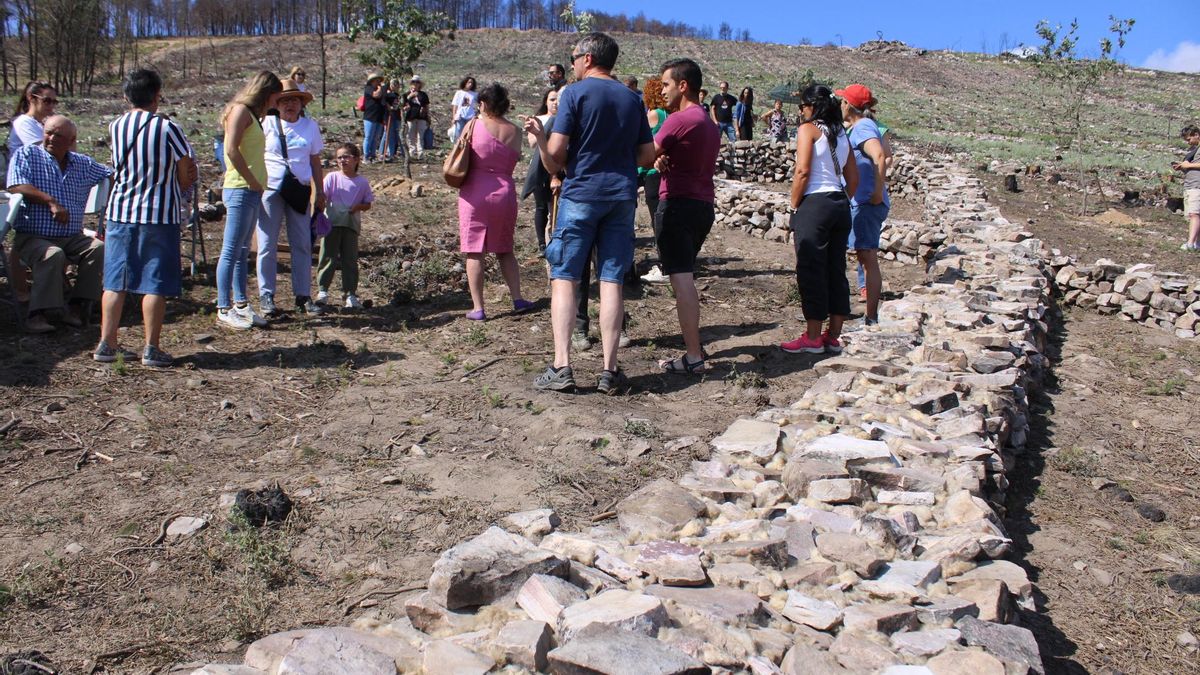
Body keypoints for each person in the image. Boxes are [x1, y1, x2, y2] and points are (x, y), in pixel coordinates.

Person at [523, 32, 655, 395]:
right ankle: (610, 372)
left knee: (565, 277)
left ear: (587, 58)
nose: (572, 65)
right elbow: (646, 156)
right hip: (621, 197)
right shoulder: (633, 98)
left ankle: (562, 366)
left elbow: (559, 153)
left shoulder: (575, 94)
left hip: (581, 195)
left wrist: (547, 152)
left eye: (573, 58)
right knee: (611, 280)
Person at [96, 69, 197, 366]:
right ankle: (151, 347)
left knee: (115, 281)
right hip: (158, 213)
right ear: (157, 95)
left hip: (120, 211)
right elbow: (185, 168)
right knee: (155, 282)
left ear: (127, 96)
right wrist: (178, 185)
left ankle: (107, 342)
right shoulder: (167, 128)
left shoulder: (117, 126)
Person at [5, 116, 112, 334]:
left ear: (71, 140)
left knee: (98, 248)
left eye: (58, 135)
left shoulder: (82, 163)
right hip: (33, 235)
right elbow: (16, 185)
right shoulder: (28, 154)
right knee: (52, 254)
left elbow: (111, 173)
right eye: (48, 132)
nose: (51, 138)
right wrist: (50, 201)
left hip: (71, 235)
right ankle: (38, 314)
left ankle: (76, 307)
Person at [650, 58, 720, 375]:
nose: (661, 91)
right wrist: (664, 161)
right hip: (702, 205)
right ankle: (694, 348)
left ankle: (693, 356)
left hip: (677, 205)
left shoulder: (678, 120)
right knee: (685, 276)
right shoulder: (706, 122)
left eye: (665, 84)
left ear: (682, 85)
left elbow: (645, 152)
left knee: (682, 281)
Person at [779, 84, 859, 354]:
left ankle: (812, 337)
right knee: (836, 269)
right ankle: (833, 336)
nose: (800, 111)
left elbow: (802, 171)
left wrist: (793, 206)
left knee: (811, 268)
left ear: (812, 106)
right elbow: (853, 178)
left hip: (815, 204)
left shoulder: (808, 130)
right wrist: (842, 198)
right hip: (840, 204)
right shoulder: (842, 133)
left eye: (802, 106)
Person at [456, 83, 532, 321]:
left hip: (475, 191)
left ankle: (478, 308)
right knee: (504, 248)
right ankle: (518, 298)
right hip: (504, 191)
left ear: (483, 103)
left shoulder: (473, 124)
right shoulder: (516, 131)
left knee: (474, 250)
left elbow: (460, 152)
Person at [216, 70, 282, 330]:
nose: (277, 103)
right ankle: (223, 306)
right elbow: (231, 149)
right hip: (240, 189)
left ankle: (241, 304)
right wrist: (252, 180)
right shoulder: (241, 110)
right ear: (266, 93)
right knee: (231, 250)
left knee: (243, 250)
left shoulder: (254, 115)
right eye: (276, 97)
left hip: (251, 190)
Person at [256, 78, 325, 318]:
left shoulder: (310, 127)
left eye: (295, 99)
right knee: (266, 244)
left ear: (301, 103)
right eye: (285, 100)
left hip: (299, 189)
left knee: (302, 244)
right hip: (271, 188)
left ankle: (303, 295)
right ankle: (266, 295)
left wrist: (320, 191)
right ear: (276, 102)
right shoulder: (266, 123)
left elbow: (315, 160)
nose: (290, 104)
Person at [838, 83, 889, 326]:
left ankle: (871, 317)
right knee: (863, 255)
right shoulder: (859, 127)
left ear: (848, 105)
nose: (840, 105)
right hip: (863, 200)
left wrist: (877, 192)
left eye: (842, 101)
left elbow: (880, 156)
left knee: (867, 256)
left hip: (868, 202)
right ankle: (869, 315)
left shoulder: (863, 127)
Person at [6, 81, 59, 303]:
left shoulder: (41, 123)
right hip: (25, 185)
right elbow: (47, 150)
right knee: (22, 237)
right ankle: (20, 289)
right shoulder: (24, 123)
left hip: (43, 183)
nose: (51, 106)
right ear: (32, 99)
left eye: (54, 101)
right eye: (47, 100)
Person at [317, 143, 373, 308]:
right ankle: (322, 291)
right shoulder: (332, 178)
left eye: (346, 157)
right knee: (328, 256)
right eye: (339, 157)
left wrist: (357, 207)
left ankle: (350, 294)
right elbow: (323, 196)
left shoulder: (362, 182)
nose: (342, 160)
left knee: (350, 260)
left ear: (356, 159)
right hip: (331, 223)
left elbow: (368, 203)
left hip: (351, 225)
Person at [521, 88, 560, 256]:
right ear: (546, 101)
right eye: (552, 99)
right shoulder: (541, 119)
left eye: (557, 99)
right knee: (541, 207)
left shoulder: (564, 120)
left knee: (555, 207)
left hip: (556, 169)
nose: (555, 103)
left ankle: (554, 240)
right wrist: (539, 132)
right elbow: (532, 144)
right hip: (540, 168)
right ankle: (542, 244)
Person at [1172, 124, 1200, 251]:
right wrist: (1183, 166)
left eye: (1189, 139)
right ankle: (1195, 243)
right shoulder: (1195, 150)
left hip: (1197, 185)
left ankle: (1191, 243)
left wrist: (1188, 165)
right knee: (1193, 214)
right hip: (1191, 184)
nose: (1188, 143)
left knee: (1194, 214)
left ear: (1196, 135)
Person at [403, 76, 431, 161]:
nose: (415, 84)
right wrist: (410, 97)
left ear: (419, 84)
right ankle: (412, 152)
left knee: (420, 136)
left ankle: (420, 153)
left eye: (417, 82)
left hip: (421, 117)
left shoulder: (423, 94)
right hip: (410, 116)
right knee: (410, 135)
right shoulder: (406, 94)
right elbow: (403, 105)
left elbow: (426, 106)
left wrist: (428, 117)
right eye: (413, 82)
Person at [361, 73, 387, 162]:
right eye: (377, 80)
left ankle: (372, 155)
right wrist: (380, 88)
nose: (378, 82)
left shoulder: (382, 90)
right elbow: (376, 95)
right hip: (370, 116)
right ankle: (366, 155)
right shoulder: (369, 89)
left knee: (376, 137)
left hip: (379, 117)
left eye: (379, 80)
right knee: (369, 136)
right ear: (372, 81)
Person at [450, 76, 478, 143]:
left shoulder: (475, 94)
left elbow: (479, 104)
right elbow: (455, 105)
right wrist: (454, 117)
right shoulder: (459, 93)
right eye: (469, 82)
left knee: (469, 133)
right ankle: (458, 148)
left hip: (470, 116)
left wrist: (477, 114)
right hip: (460, 116)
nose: (470, 84)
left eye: (472, 83)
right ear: (465, 83)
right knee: (459, 133)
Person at [384, 78, 403, 162]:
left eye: (396, 84)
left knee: (398, 135)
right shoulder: (387, 95)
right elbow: (384, 102)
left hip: (397, 117)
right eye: (393, 84)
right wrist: (389, 107)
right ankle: (389, 153)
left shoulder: (399, 96)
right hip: (390, 116)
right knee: (389, 135)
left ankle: (399, 153)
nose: (395, 86)